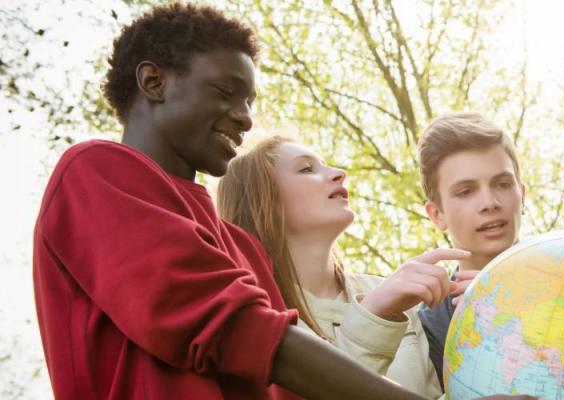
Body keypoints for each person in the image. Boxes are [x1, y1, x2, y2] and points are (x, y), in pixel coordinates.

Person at [32, 3, 432, 399]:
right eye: (226, 92)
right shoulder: (94, 172)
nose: (245, 118)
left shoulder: (244, 249)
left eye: (250, 103)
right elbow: (232, 327)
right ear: (154, 82)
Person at [218, 136, 453, 398]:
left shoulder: (388, 291)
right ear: (262, 200)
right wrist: (375, 315)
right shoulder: (256, 317)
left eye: (327, 165)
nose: (339, 173)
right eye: (306, 169)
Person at [416, 112, 526, 387]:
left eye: (502, 184)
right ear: (437, 215)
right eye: (466, 191)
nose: (489, 202)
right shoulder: (428, 324)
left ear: (521, 194)